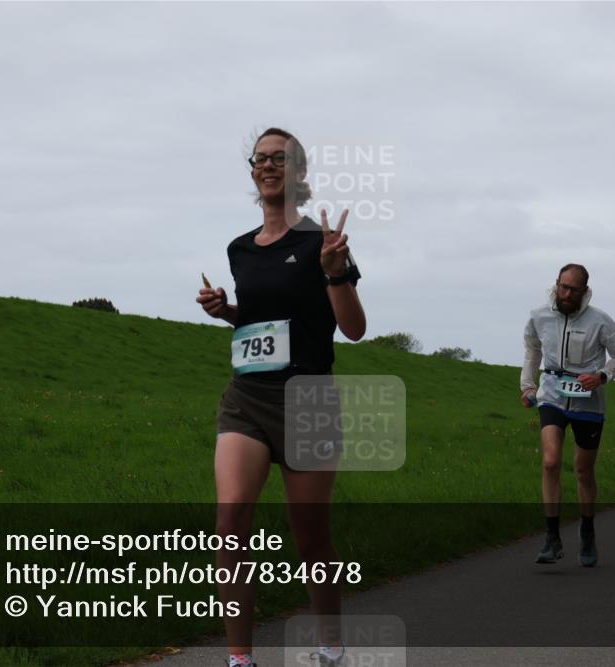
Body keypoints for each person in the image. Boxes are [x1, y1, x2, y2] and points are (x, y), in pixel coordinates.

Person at [196, 127, 366, 667]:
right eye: (260, 158)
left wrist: (335, 275)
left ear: (299, 172)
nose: (268, 166)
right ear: (253, 171)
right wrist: (227, 311)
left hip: (309, 401)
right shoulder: (240, 248)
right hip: (246, 398)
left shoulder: (323, 242)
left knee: (310, 538)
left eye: (280, 158)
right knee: (229, 526)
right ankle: (240, 659)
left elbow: (354, 328)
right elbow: (262, 322)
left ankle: (331, 645)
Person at [521, 264, 615, 567]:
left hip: (588, 403)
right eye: (563, 287)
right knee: (550, 462)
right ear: (556, 283)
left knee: (583, 471)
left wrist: (601, 376)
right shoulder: (539, 316)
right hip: (552, 396)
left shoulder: (600, 321)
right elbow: (532, 350)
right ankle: (552, 538)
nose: (566, 294)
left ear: (585, 291)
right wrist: (527, 385)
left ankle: (587, 531)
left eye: (573, 290)